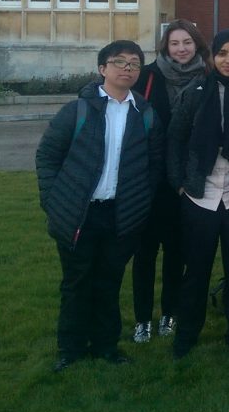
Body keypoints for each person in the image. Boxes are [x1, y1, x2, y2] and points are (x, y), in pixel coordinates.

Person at [35, 40, 164, 373]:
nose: (127, 69)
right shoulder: (78, 110)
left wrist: (141, 203)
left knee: (109, 281)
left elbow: (154, 165)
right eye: (119, 62)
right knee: (76, 282)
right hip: (80, 212)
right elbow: (48, 156)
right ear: (102, 69)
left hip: (121, 214)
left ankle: (107, 346)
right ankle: (71, 348)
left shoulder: (145, 114)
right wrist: (52, 200)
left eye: (134, 64)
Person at [167, 29, 229, 360]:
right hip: (200, 196)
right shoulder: (193, 93)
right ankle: (186, 335)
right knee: (196, 271)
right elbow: (175, 141)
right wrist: (180, 182)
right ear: (212, 56)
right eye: (222, 53)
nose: (228, 60)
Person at [131, 20, 210, 344]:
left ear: (197, 45)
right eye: (175, 43)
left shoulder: (207, 77)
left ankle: (169, 313)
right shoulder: (149, 76)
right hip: (150, 180)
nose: (181, 49)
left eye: (187, 43)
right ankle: (142, 319)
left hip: (186, 181)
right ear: (165, 47)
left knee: (177, 252)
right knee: (145, 252)